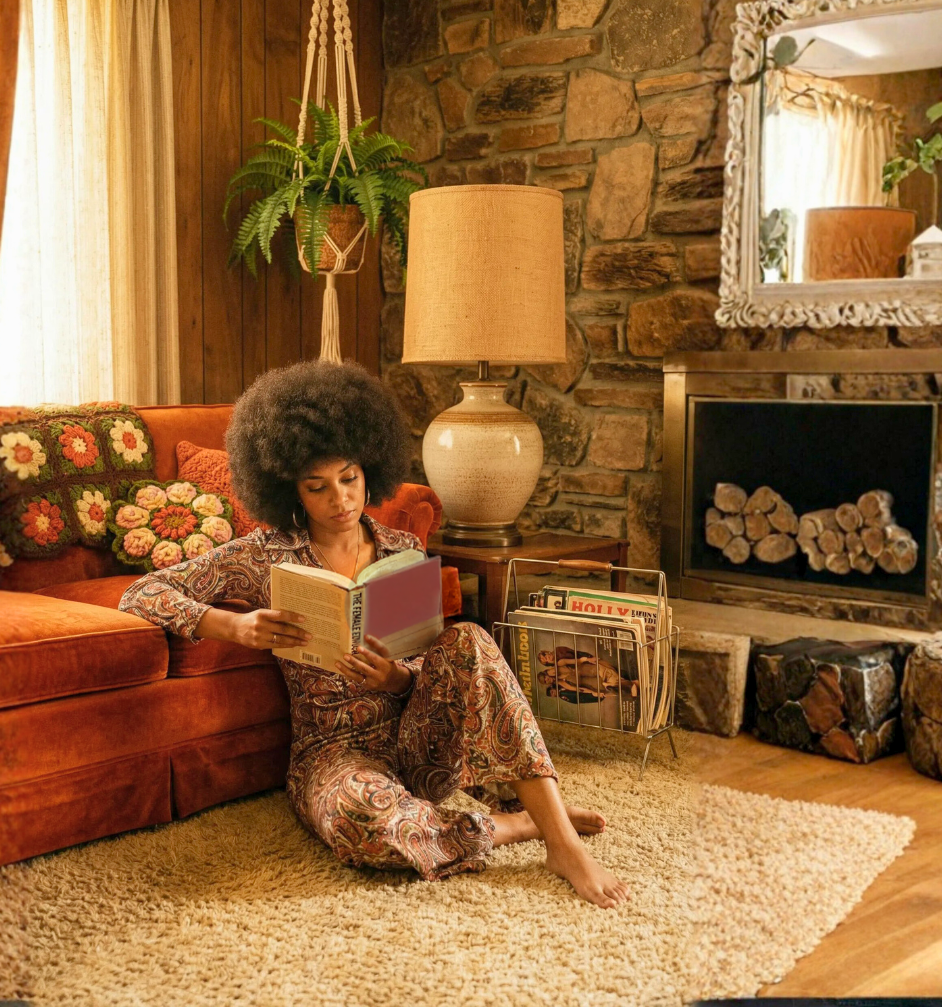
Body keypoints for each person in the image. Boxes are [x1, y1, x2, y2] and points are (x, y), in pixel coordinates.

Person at [118, 361, 628, 908]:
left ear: (370, 470)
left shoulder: (401, 550)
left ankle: (561, 841)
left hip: (418, 738)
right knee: (362, 823)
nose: (339, 500)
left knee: (471, 641)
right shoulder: (263, 555)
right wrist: (235, 625)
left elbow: (427, 662)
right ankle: (510, 826)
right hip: (333, 754)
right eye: (317, 487)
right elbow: (143, 593)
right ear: (288, 489)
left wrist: (395, 678)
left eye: (349, 479)